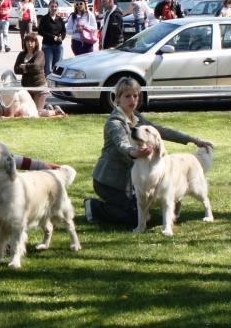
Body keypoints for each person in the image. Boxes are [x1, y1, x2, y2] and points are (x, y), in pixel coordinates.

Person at [84, 78, 212, 227]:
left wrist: (192, 139)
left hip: (130, 181)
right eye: (127, 96)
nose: (132, 100)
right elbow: (122, 144)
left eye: (135, 95)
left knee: (145, 212)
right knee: (135, 216)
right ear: (117, 99)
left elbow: (161, 131)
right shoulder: (115, 123)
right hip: (108, 181)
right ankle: (93, 207)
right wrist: (135, 153)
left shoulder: (137, 118)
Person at [13, 33, 66, 118]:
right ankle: (48, 108)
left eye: (32, 41)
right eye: (27, 41)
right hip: (26, 88)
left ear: (36, 43)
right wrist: (29, 68)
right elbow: (16, 69)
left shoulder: (40, 54)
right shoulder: (21, 55)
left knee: (37, 113)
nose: (30, 43)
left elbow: (36, 67)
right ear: (24, 42)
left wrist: (25, 67)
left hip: (39, 88)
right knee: (27, 111)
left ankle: (55, 111)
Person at [37, 0, 66, 76]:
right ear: (49, 7)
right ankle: (49, 83)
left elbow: (64, 31)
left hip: (58, 46)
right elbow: (40, 31)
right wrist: (53, 37)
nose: (54, 8)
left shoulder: (60, 19)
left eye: (55, 6)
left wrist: (61, 37)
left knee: (58, 66)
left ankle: (56, 83)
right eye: (52, 6)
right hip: (47, 46)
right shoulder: (44, 18)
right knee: (48, 67)